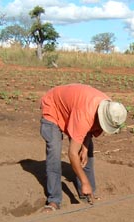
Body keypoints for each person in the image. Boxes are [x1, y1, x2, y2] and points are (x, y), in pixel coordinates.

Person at [39, 83, 127, 212]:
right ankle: (54, 199)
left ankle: (87, 194)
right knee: (54, 154)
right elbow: (72, 153)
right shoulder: (85, 115)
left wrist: (85, 148)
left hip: (74, 109)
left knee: (87, 154)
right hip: (53, 106)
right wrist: (85, 182)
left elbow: (89, 128)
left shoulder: (110, 107)